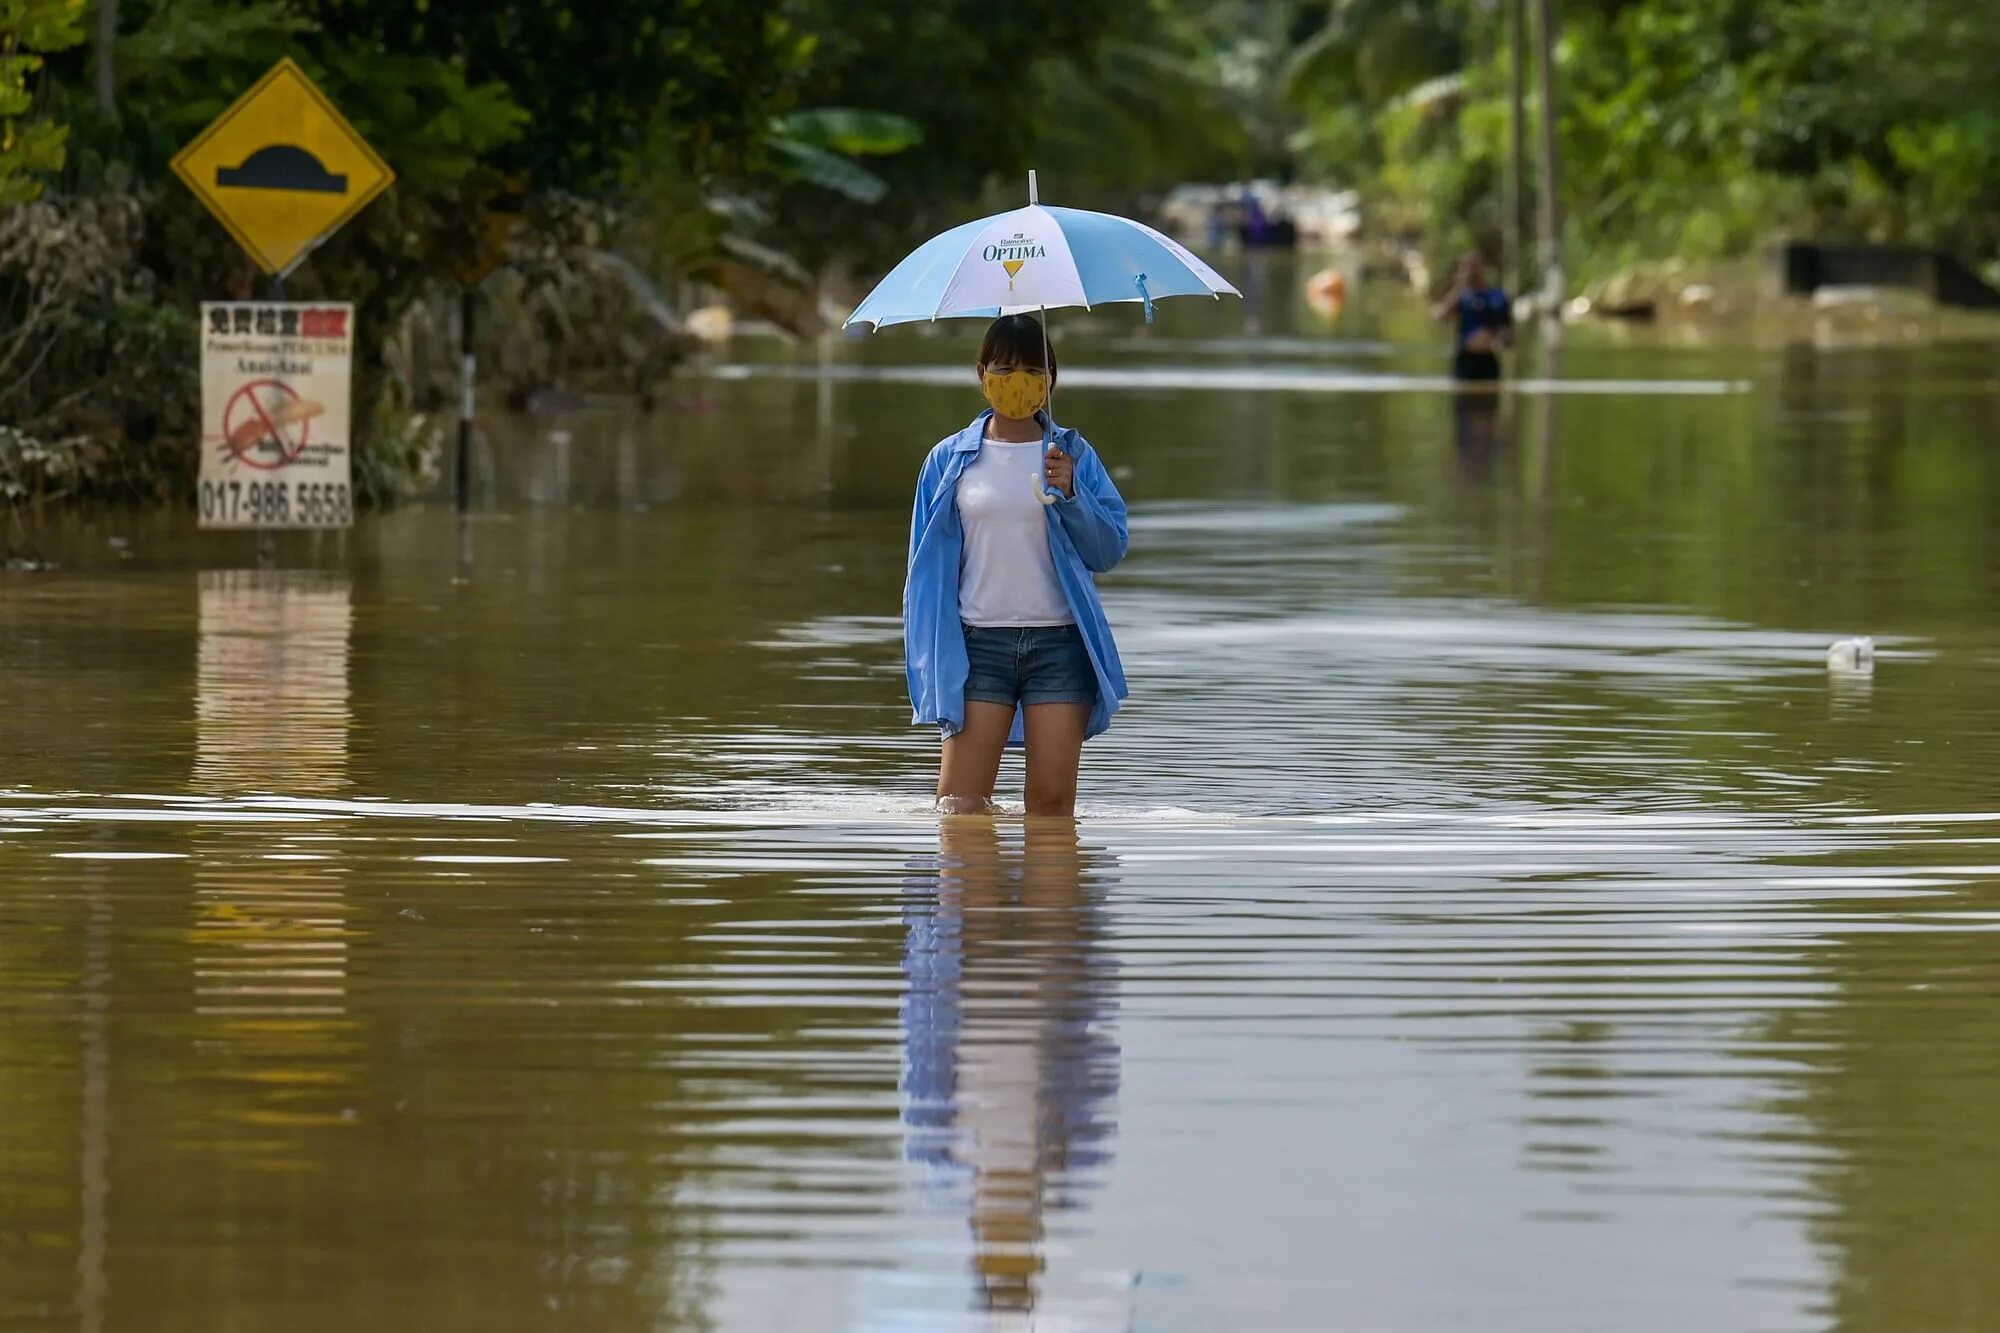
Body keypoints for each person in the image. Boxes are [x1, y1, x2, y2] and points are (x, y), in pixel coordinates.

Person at [903, 314, 1129, 817]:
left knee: (1050, 807)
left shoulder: (1071, 455)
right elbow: (922, 571)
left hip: (1059, 646)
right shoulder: (949, 460)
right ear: (981, 374)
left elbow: (1108, 549)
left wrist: (1071, 492)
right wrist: (929, 659)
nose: (1016, 382)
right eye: (1004, 368)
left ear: (1050, 380)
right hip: (978, 645)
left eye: (1030, 370)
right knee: (959, 807)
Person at [1433, 252, 1514, 381]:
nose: (1471, 271)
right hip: (1465, 361)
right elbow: (1439, 317)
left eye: (1475, 266)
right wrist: (1459, 287)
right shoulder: (1461, 297)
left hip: (1488, 361)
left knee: (1488, 397)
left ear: (1483, 269)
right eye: (1467, 267)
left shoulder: (1498, 298)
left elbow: (1509, 336)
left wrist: (1493, 340)